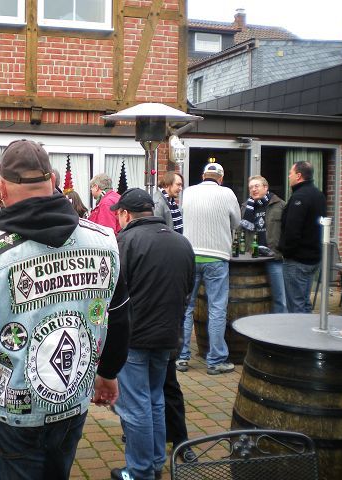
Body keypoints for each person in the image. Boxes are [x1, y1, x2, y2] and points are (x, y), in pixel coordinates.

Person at [0, 139, 130, 480]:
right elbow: (119, 317)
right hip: (72, 401)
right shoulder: (104, 241)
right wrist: (109, 373)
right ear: (53, 181)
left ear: (2, 190)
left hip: (11, 414)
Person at [108, 188, 194, 480]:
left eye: (118, 215)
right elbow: (188, 288)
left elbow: (113, 293)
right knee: (155, 399)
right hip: (167, 336)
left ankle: (140, 471)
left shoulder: (125, 241)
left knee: (136, 407)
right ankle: (155, 463)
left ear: (125, 214)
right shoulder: (181, 242)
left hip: (134, 338)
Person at [177, 163, 241, 375]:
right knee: (217, 309)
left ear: (203, 175)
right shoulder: (227, 193)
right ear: (220, 178)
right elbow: (237, 222)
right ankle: (215, 361)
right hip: (217, 257)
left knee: (186, 308)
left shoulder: (188, 192)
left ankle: (181, 357)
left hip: (190, 256)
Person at [278, 161, 326, 313]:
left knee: (296, 305)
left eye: (290, 173)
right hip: (313, 258)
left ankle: (299, 329)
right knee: (305, 302)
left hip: (298, 260)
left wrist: (286, 252)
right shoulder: (318, 195)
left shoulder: (300, 197)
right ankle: (308, 327)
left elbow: (292, 230)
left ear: (298, 176)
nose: (288, 176)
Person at [240, 175, 287, 313]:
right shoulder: (245, 207)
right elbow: (240, 231)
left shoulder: (280, 205)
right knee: (253, 296)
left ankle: (280, 323)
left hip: (274, 257)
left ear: (266, 187)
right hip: (252, 258)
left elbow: (287, 230)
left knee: (279, 297)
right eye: (251, 187)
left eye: (257, 186)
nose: (253, 190)